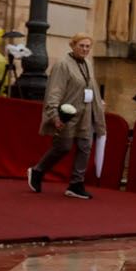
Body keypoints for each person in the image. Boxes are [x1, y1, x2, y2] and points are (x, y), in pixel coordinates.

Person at [29, 34, 108, 200]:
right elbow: (54, 92)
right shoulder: (62, 65)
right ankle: (37, 171)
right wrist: (54, 115)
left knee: (85, 146)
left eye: (88, 46)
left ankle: (76, 184)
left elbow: (89, 87)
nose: (85, 49)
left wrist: (98, 103)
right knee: (63, 146)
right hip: (68, 114)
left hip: (85, 113)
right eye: (82, 45)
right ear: (73, 45)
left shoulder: (88, 64)